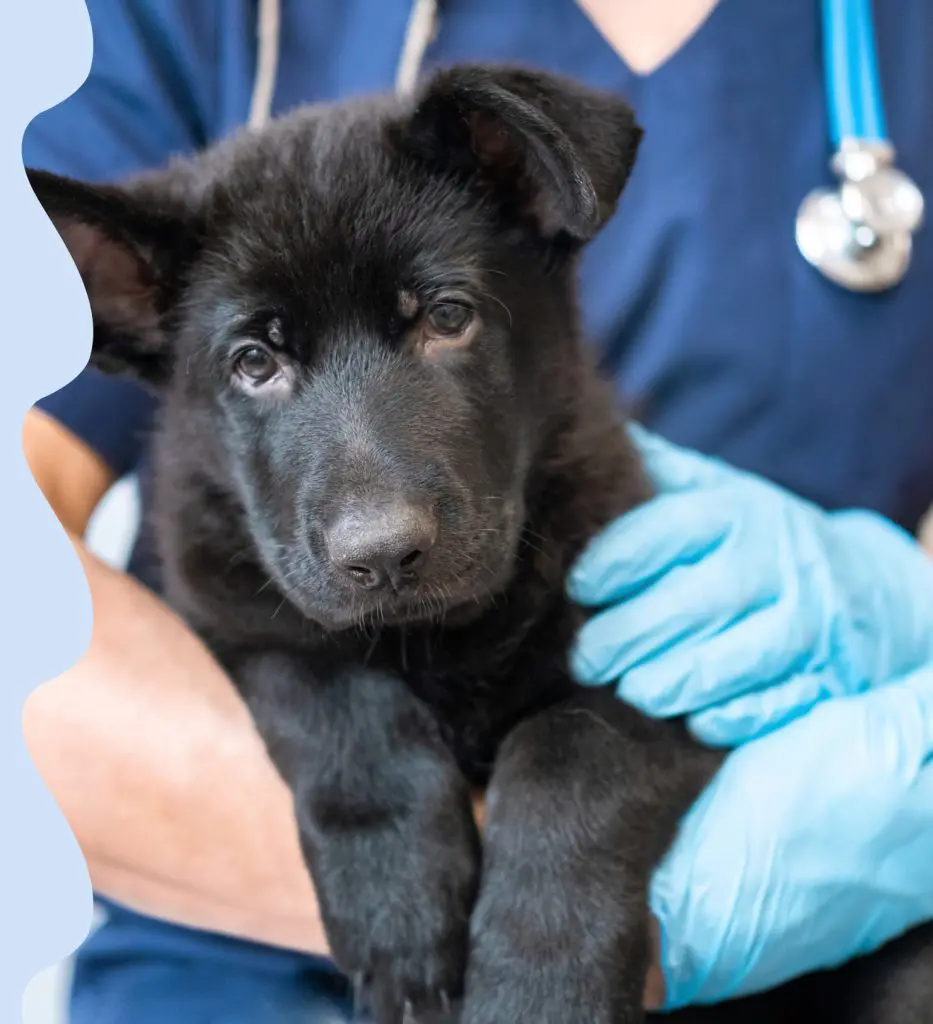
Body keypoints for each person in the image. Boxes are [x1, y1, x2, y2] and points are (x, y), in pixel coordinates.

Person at [21, 0, 933, 1021]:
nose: (377, 523)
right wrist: (378, 828)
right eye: (258, 361)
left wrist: (908, 620)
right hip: (225, 972)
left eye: (444, 316)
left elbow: (648, 708)